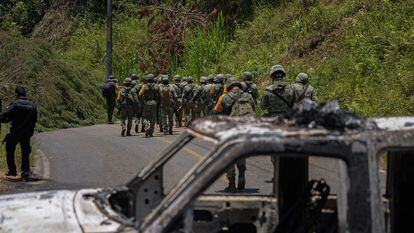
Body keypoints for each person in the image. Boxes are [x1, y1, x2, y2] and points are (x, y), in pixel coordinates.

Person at [215, 79, 255, 192]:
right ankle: (242, 174)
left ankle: (231, 184)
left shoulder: (224, 97)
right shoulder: (247, 96)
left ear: (229, 86)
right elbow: (253, 109)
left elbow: (216, 111)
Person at [0, 86, 37, 181]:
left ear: (16, 94)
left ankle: (12, 171)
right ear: (25, 94)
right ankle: (25, 173)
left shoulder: (15, 104)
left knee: (10, 149)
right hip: (26, 133)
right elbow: (34, 120)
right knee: (25, 152)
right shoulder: (32, 105)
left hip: (15, 132)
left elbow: (6, 115)